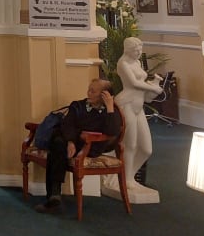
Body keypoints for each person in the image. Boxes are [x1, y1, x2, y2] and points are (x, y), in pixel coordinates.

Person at [35, 78, 121, 214]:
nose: (89, 93)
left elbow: (113, 131)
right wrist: (70, 141)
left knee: (57, 145)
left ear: (104, 95)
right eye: (89, 90)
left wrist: (110, 107)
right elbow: (67, 124)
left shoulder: (110, 112)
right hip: (72, 144)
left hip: (91, 147)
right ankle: (54, 196)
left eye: (93, 91)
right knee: (58, 142)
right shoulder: (78, 106)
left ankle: (53, 194)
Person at [115, 36, 163, 197]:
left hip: (138, 106)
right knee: (130, 145)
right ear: (128, 50)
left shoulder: (136, 62)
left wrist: (153, 85)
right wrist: (153, 89)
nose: (138, 52)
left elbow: (141, 84)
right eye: (135, 50)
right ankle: (126, 180)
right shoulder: (123, 63)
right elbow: (133, 84)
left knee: (146, 149)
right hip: (127, 103)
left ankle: (128, 176)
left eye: (140, 50)